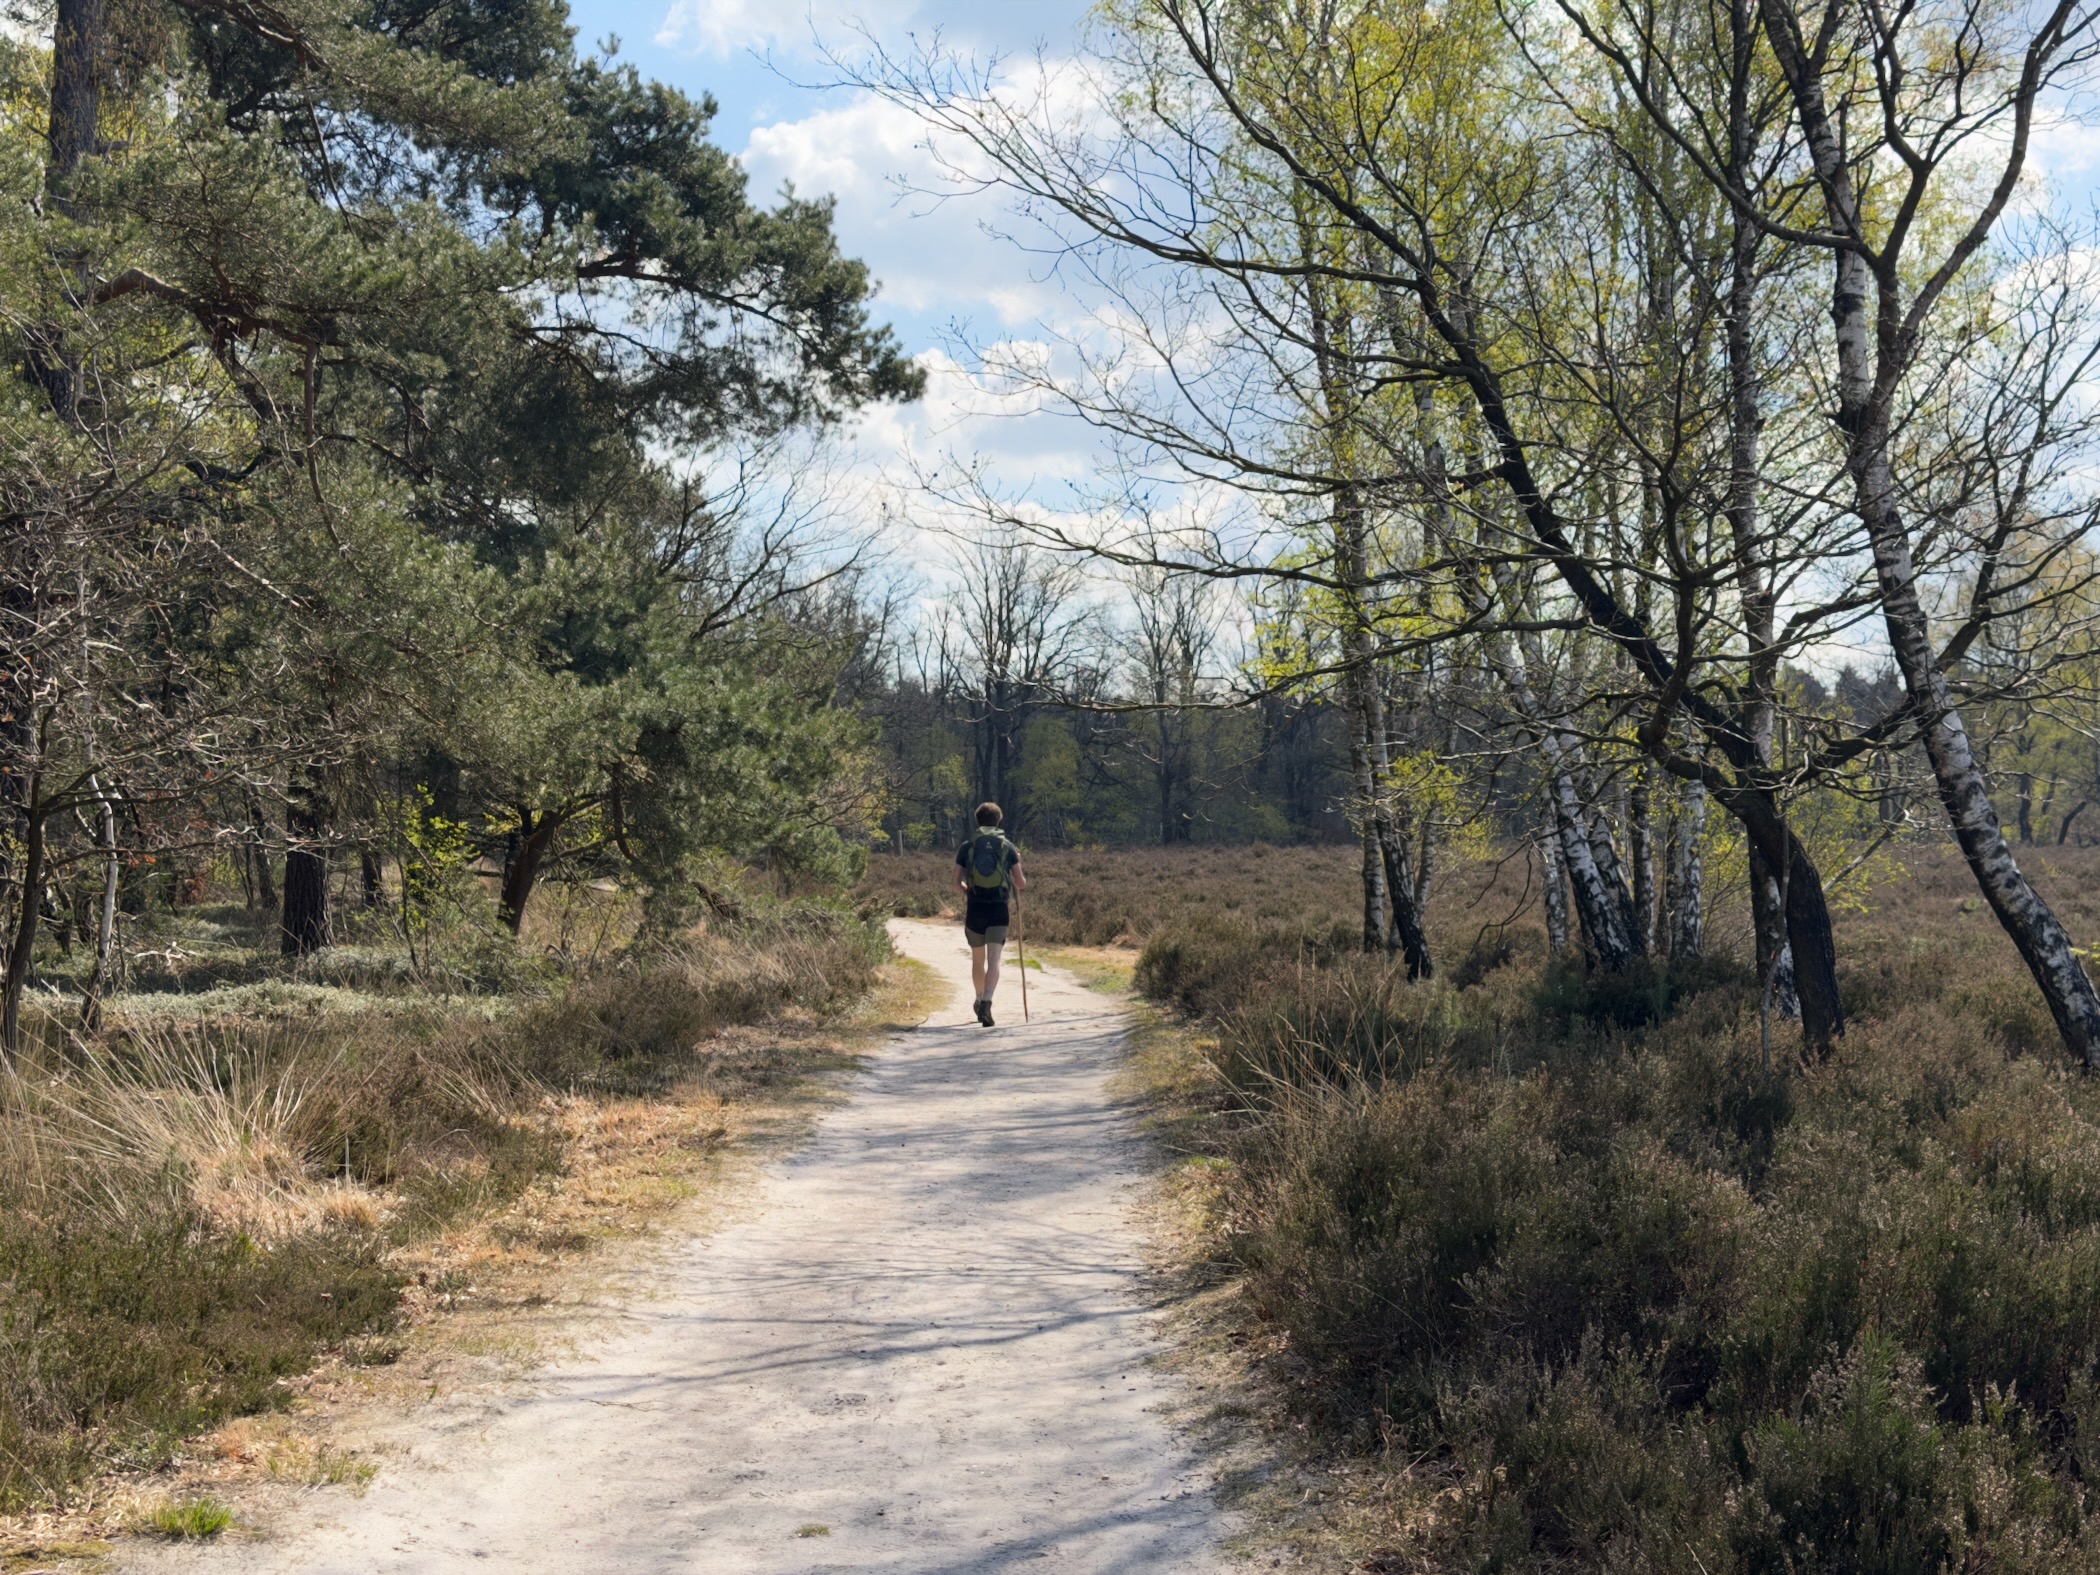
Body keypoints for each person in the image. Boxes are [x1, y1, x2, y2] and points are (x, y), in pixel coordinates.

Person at [954, 801, 1027, 1027]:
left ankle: (977, 999)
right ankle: (987, 1001)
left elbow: (955, 884)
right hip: (998, 907)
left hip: (976, 908)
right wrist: (1017, 862)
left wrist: (970, 891)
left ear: (978, 820)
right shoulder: (1008, 846)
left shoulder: (968, 847)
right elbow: (1021, 883)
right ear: (999, 821)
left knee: (978, 959)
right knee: (994, 958)